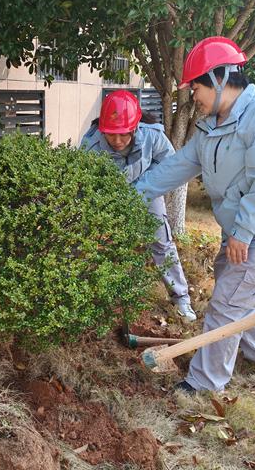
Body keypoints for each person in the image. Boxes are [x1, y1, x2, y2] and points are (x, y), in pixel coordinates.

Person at [134, 37, 255, 394]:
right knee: (241, 298)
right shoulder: (212, 125)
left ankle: (204, 384)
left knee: (228, 303)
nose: (193, 96)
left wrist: (243, 233)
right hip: (241, 228)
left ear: (219, 79)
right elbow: (177, 167)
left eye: (196, 87)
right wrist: (129, 196)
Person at [80, 90, 196, 321]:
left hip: (148, 192)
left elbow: (169, 165)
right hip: (109, 197)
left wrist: (144, 187)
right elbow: (85, 182)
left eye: (124, 134)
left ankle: (181, 298)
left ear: (135, 127)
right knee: (103, 245)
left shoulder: (152, 136)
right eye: (111, 135)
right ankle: (99, 298)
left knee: (162, 243)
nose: (117, 141)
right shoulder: (91, 145)